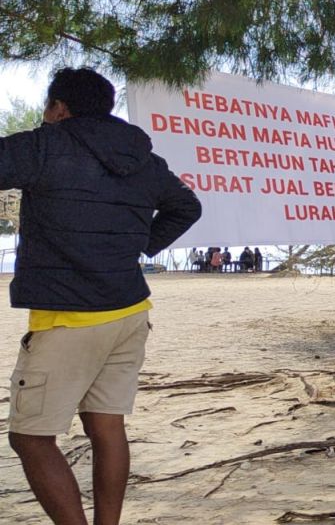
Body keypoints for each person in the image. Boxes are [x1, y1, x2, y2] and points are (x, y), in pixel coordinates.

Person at [2, 67, 202, 525]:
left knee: (29, 438)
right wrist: (140, 244)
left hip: (69, 320)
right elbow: (187, 206)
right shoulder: (142, 157)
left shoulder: (45, 144)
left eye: (47, 107)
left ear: (59, 108)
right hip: (129, 311)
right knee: (106, 426)